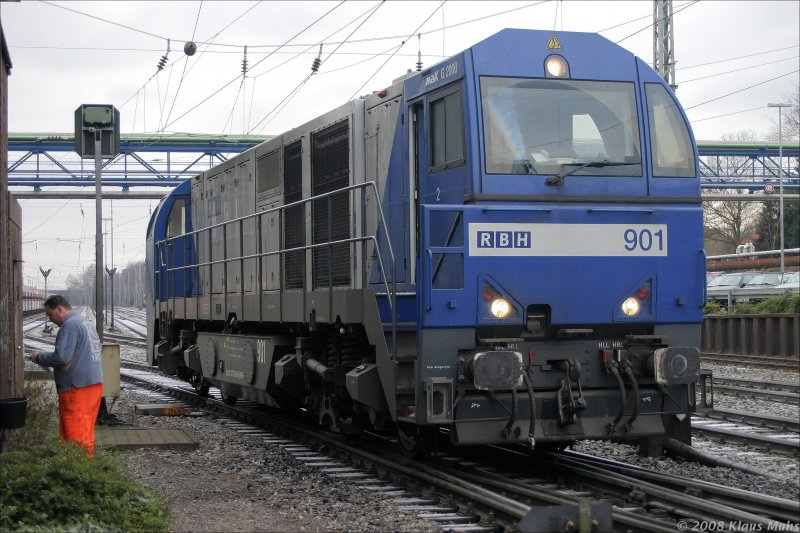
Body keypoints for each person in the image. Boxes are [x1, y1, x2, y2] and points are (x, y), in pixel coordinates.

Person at [30, 295, 104, 456]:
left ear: (59, 308)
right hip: (93, 384)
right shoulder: (85, 322)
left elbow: (62, 357)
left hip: (76, 388)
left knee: (75, 436)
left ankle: (77, 475)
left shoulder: (70, 326)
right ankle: (85, 471)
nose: (51, 320)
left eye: (50, 315)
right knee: (85, 432)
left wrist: (39, 357)